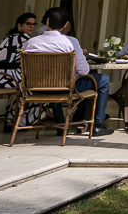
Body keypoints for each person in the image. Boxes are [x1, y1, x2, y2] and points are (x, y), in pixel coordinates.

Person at [22, 7, 112, 136]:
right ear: (65, 25)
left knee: (54, 81)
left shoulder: (31, 43)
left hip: (38, 87)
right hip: (65, 87)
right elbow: (84, 70)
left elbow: (25, 68)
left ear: (47, 22)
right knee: (104, 80)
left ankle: (60, 124)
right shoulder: (70, 42)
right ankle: (98, 124)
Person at [0, 13, 42, 128]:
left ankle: (11, 119)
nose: (32, 26)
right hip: (9, 78)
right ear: (19, 25)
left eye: (34, 24)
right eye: (28, 24)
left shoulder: (7, 38)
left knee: (20, 88)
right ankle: (22, 121)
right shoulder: (25, 40)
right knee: (39, 90)